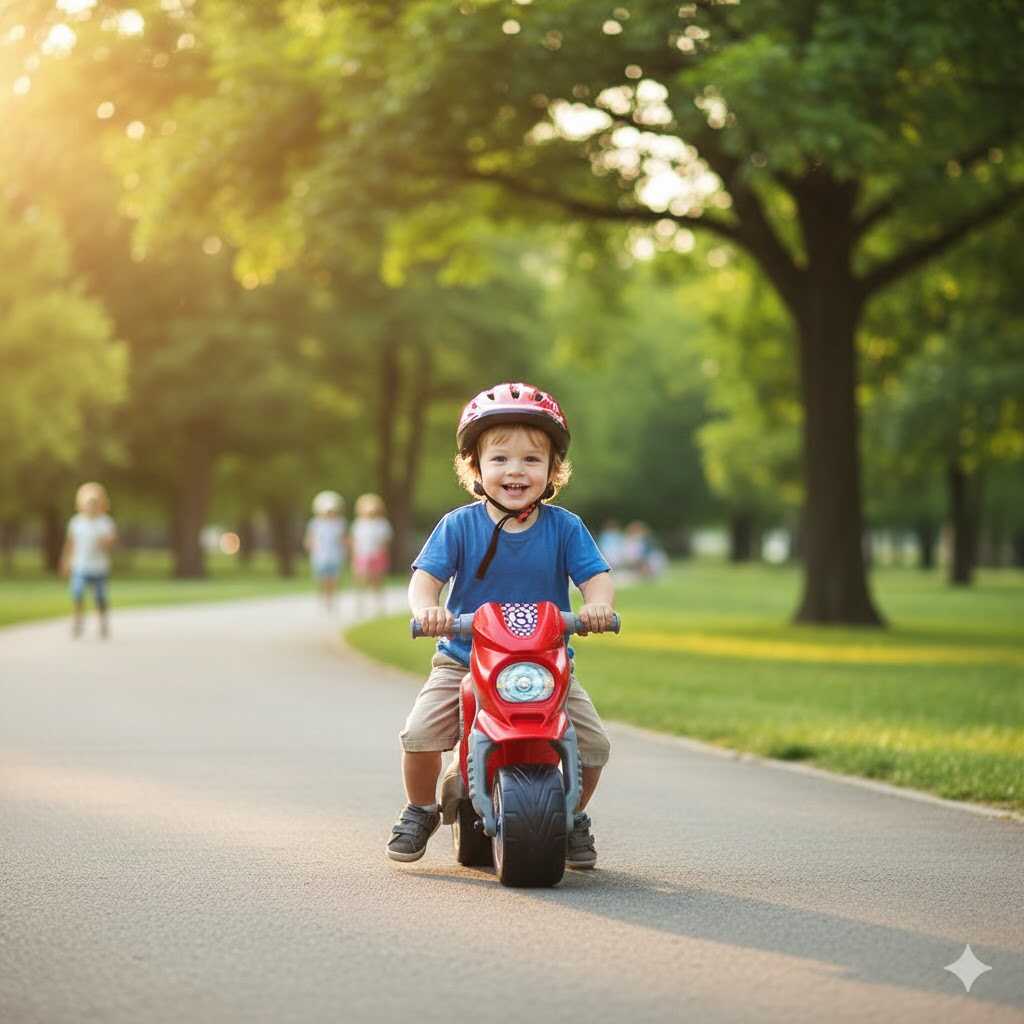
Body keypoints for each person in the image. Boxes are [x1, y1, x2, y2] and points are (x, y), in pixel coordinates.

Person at [386, 382, 616, 869]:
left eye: (533, 460)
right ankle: (421, 808)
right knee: (420, 733)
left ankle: (569, 817)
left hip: (546, 663)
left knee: (593, 745)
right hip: (464, 660)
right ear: (474, 467)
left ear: (554, 470)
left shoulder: (565, 528)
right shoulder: (458, 526)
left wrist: (596, 606)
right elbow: (424, 580)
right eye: (500, 458)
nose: (516, 470)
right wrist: (428, 609)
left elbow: (595, 578)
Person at [60, 482, 118, 639]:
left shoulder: (105, 522)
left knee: (100, 597)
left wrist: (106, 543)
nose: (91, 506)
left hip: (99, 567)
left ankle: (103, 622)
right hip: (80, 565)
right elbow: (70, 544)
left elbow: (112, 542)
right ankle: (77, 622)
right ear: (82, 504)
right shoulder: (76, 522)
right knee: (77, 593)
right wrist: (65, 561)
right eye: (88, 503)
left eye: (94, 503)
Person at [304, 490, 347, 610]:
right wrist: (310, 546)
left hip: (335, 555)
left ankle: (332, 601)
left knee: (333, 580)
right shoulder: (315, 523)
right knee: (321, 580)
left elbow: (343, 539)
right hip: (320, 556)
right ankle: (321, 599)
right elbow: (310, 539)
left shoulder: (339, 523)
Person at [351, 492, 393, 613]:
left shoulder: (382, 524)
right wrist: (354, 557)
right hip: (363, 555)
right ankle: (360, 602)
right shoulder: (359, 524)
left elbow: (385, 541)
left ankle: (378, 603)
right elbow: (355, 542)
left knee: (377, 580)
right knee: (361, 579)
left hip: (377, 555)